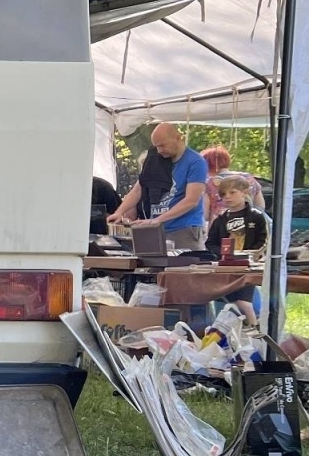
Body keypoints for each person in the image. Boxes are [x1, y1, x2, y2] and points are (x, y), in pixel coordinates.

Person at [106, 122, 209, 251]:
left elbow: (191, 200)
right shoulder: (155, 158)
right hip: (157, 229)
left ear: (178, 138)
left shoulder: (195, 162)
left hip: (184, 229)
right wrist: (119, 212)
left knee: (183, 266)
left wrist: (158, 220)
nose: (159, 150)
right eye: (156, 146)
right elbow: (139, 189)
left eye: (163, 145)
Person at [204, 175, 269, 327]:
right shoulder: (220, 220)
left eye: (232, 192)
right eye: (223, 195)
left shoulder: (257, 216)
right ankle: (225, 331)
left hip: (247, 267)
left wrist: (251, 254)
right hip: (226, 268)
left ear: (244, 192)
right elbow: (210, 242)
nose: (227, 197)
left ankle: (254, 329)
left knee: (244, 303)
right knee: (226, 303)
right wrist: (222, 253)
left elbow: (264, 240)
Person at [201, 144, 266, 220]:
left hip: (220, 227)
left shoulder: (209, 183)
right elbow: (261, 206)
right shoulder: (249, 178)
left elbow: (204, 214)